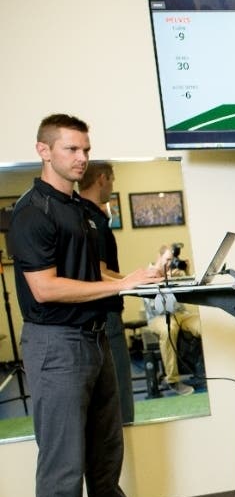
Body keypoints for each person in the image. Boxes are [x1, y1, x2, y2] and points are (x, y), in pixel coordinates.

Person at [7, 113, 167, 497]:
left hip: (96, 337)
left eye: (85, 149)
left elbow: (94, 270)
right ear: (44, 150)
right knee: (62, 460)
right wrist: (118, 285)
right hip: (56, 345)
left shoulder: (82, 210)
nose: (81, 158)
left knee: (105, 447)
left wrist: (137, 276)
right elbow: (46, 287)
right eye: (71, 149)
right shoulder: (32, 212)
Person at [76, 160, 136, 423]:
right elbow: (99, 273)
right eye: (112, 179)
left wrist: (135, 279)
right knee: (120, 393)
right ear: (102, 178)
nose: (112, 185)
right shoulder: (93, 221)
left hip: (93, 317)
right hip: (106, 316)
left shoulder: (81, 214)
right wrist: (134, 281)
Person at [143, 244, 201, 397]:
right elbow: (156, 306)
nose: (170, 263)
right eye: (167, 259)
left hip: (181, 314)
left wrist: (186, 272)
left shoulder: (175, 271)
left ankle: (207, 370)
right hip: (158, 316)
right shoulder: (147, 273)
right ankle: (173, 380)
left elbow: (192, 291)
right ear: (159, 257)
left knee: (203, 325)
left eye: (173, 260)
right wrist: (165, 280)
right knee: (170, 328)